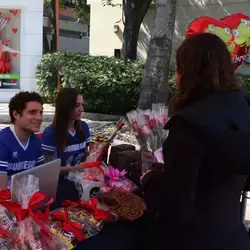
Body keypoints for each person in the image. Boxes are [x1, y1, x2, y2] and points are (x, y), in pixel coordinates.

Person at [141, 33, 250, 250]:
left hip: (191, 240)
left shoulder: (189, 124)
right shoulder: (244, 109)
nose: (175, 77)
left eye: (178, 68)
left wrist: (150, 179)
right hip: (233, 237)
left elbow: (177, 206)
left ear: (190, 72)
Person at [42, 88, 90, 202]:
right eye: (77, 105)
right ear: (66, 107)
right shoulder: (51, 133)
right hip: (59, 187)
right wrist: (73, 169)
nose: (81, 109)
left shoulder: (84, 127)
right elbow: (47, 168)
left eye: (82, 105)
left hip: (83, 182)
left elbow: (86, 154)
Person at [0, 92, 44, 184]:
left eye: (40, 112)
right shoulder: (2, 142)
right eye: (32, 112)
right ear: (16, 115)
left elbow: (41, 179)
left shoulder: (36, 141)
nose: (39, 117)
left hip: (28, 195)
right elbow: (2, 193)